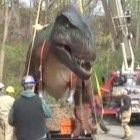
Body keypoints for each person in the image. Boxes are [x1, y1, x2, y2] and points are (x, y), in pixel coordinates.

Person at [8, 75, 52, 140]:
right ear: (33, 86)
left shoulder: (16, 102)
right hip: (39, 137)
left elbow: (10, 121)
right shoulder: (40, 101)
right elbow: (49, 114)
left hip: (22, 137)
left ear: (23, 87)